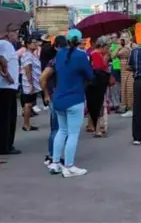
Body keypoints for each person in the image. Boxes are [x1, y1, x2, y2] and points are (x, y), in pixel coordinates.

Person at [48, 29, 94, 177]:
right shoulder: (81, 56)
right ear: (80, 41)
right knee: (73, 134)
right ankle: (69, 166)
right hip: (74, 98)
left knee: (62, 131)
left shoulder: (60, 54)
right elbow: (90, 75)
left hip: (59, 98)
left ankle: (55, 163)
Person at [40, 35, 67, 166]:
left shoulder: (62, 60)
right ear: (56, 47)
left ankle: (57, 155)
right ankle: (53, 155)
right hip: (55, 96)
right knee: (57, 128)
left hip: (62, 95)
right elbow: (43, 78)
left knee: (61, 128)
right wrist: (46, 94)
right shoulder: (54, 61)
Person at [0, 23, 21, 156]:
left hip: (8, 87)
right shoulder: (4, 44)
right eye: (15, 31)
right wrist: (8, 76)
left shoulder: (8, 45)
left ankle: (6, 144)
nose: (17, 34)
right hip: (6, 87)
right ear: (7, 33)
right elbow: (1, 60)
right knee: (6, 118)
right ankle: (5, 146)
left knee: (8, 117)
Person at [86, 37, 111, 138]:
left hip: (97, 83)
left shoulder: (96, 54)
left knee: (96, 105)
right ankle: (98, 128)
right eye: (107, 47)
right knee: (99, 106)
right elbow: (99, 69)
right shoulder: (96, 54)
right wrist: (106, 59)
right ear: (102, 46)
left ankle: (95, 126)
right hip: (98, 83)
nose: (108, 49)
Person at [21, 36, 42, 131]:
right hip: (29, 83)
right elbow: (28, 70)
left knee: (30, 103)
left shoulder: (32, 55)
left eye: (36, 42)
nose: (35, 44)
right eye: (33, 42)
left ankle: (27, 124)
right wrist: (30, 84)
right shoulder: (27, 55)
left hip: (33, 82)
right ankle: (26, 124)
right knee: (28, 104)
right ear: (28, 44)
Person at [115, 32, 135, 117]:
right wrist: (118, 48)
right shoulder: (119, 46)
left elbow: (136, 54)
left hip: (130, 69)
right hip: (122, 70)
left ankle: (132, 108)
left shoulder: (133, 45)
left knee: (130, 89)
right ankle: (127, 107)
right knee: (124, 89)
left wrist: (129, 48)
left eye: (126, 37)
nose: (124, 38)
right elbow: (113, 56)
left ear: (130, 38)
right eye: (122, 37)